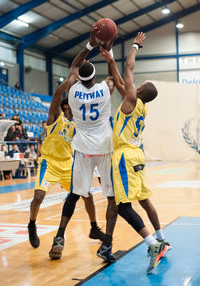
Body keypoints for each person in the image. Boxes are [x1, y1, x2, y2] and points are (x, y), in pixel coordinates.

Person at [101, 32, 171, 273]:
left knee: (122, 206)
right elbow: (119, 79)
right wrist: (110, 58)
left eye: (138, 85)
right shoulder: (136, 104)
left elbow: (128, 68)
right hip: (137, 155)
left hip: (124, 157)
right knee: (144, 199)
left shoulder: (132, 97)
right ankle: (162, 238)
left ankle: (153, 245)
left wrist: (135, 45)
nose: (134, 84)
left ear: (139, 90)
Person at [49, 25, 118, 262]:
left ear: (80, 78)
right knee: (111, 197)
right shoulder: (104, 90)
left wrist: (90, 42)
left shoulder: (74, 90)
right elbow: (113, 75)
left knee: (75, 194)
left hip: (82, 149)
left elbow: (74, 66)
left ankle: (59, 236)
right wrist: (108, 49)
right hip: (104, 149)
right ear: (95, 79)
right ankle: (106, 245)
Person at [28, 80, 104, 249]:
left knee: (88, 195)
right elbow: (56, 96)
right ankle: (32, 225)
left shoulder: (77, 125)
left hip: (68, 165)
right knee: (38, 197)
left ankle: (94, 228)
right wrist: (69, 82)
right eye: (71, 104)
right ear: (66, 107)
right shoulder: (55, 117)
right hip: (49, 163)